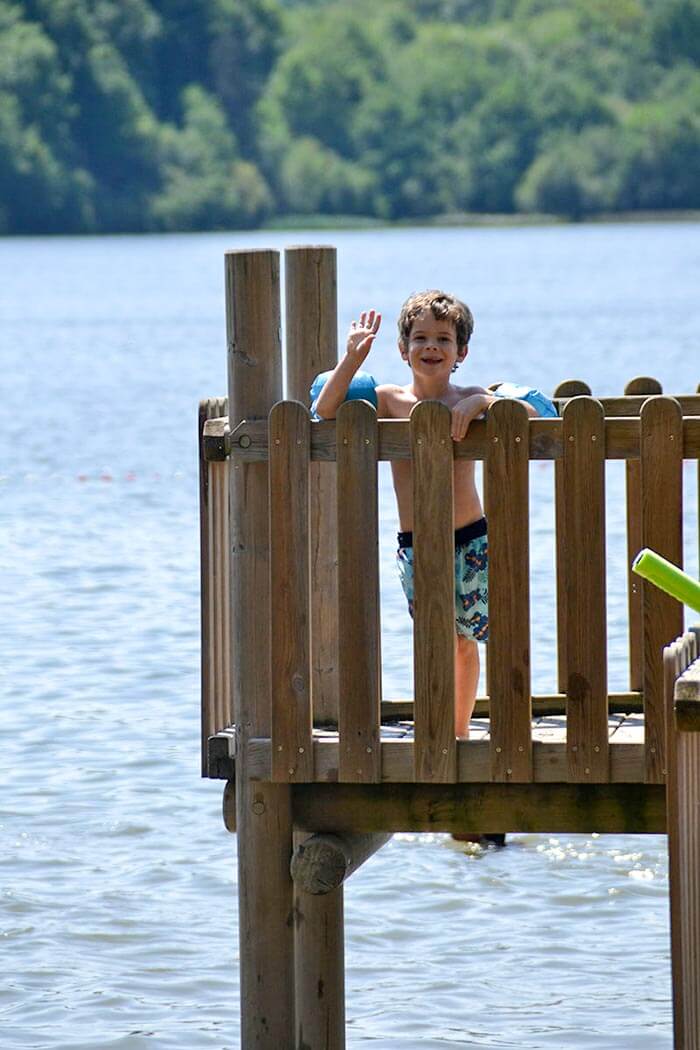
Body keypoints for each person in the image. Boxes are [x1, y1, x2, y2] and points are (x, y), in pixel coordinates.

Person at [312, 290, 552, 740]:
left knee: (466, 640)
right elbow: (324, 412)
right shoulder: (389, 400)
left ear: (461, 351)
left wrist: (481, 404)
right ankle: (440, 727)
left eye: (443, 338)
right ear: (403, 350)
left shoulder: (472, 396)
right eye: (420, 338)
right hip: (416, 545)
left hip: (471, 540)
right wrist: (351, 359)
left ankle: (458, 732)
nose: (431, 347)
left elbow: (530, 417)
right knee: (436, 637)